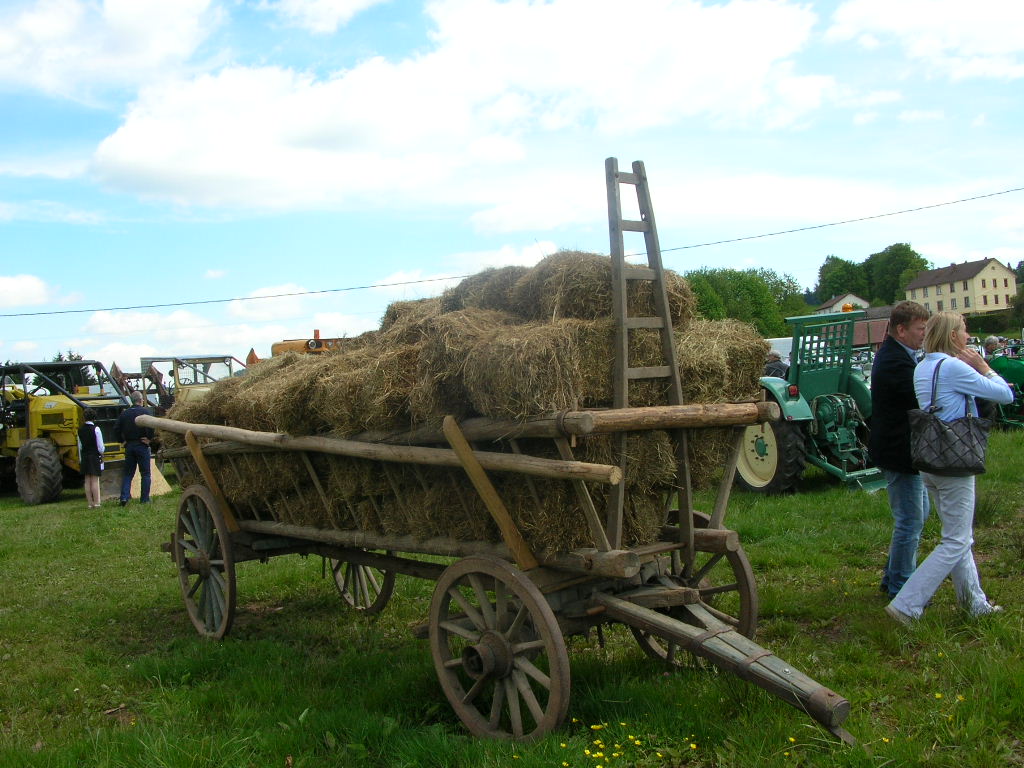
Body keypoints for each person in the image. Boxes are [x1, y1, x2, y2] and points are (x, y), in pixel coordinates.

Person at [885, 311, 1013, 624]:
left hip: (930, 459)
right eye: (964, 330)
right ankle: (907, 604)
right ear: (953, 335)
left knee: (959, 536)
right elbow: (1005, 395)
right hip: (955, 459)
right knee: (956, 540)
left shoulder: (923, 366)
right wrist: (984, 367)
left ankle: (974, 603)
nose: (968, 336)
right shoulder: (953, 367)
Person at [868, 300, 930, 599]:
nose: (924, 334)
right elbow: (919, 398)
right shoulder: (895, 361)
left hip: (903, 449)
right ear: (901, 330)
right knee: (910, 520)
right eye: (920, 328)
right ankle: (901, 587)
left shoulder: (899, 355)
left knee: (918, 515)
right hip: (898, 450)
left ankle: (892, 577)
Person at [114, 391, 155, 506]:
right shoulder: (145, 412)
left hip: (130, 445)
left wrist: (122, 440)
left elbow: (116, 428)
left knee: (128, 473)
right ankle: (145, 499)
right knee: (145, 474)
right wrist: (149, 438)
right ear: (141, 400)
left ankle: (124, 497)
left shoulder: (124, 414)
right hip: (142, 444)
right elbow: (151, 426)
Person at [77, 408, 104, 508]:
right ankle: (97, 502)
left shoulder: (80, 430)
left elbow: (80, 446)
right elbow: (100, 446)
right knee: (95, 480)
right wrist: (102, 453)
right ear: (94, 418)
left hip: (85, 455)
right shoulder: (96, 429)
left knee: (87, 480)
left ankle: (90, 503)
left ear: (84, 417)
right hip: (94, 456)